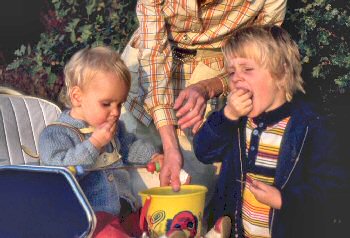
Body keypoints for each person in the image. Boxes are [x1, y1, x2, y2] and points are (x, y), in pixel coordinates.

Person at [193, 25, 349, 237]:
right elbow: (203, 151)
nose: (237, 78)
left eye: (247, 69)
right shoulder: (235, 122)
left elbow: (332, 191)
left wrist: (283, 199)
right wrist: (227, 116)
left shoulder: (311, 127)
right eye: (231, 72)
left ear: (282, 74)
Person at [121, 0, 288, 197]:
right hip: (145, 78)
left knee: (185, 197)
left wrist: (210, 87)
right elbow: (153, 57)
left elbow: (263, 59)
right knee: (121, 182)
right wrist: (170, 145)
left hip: (210, 81)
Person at [38, 46, 162, 237]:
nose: (115, 112)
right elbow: (60, 177)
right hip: (89, 218)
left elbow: (129, 146)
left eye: (119, 104)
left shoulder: (113, 127)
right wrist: (94, 143)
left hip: (124, 209)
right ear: (77, 97)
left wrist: (152, 156)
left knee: (155, 223)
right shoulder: (56, 134)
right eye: (106, 104)